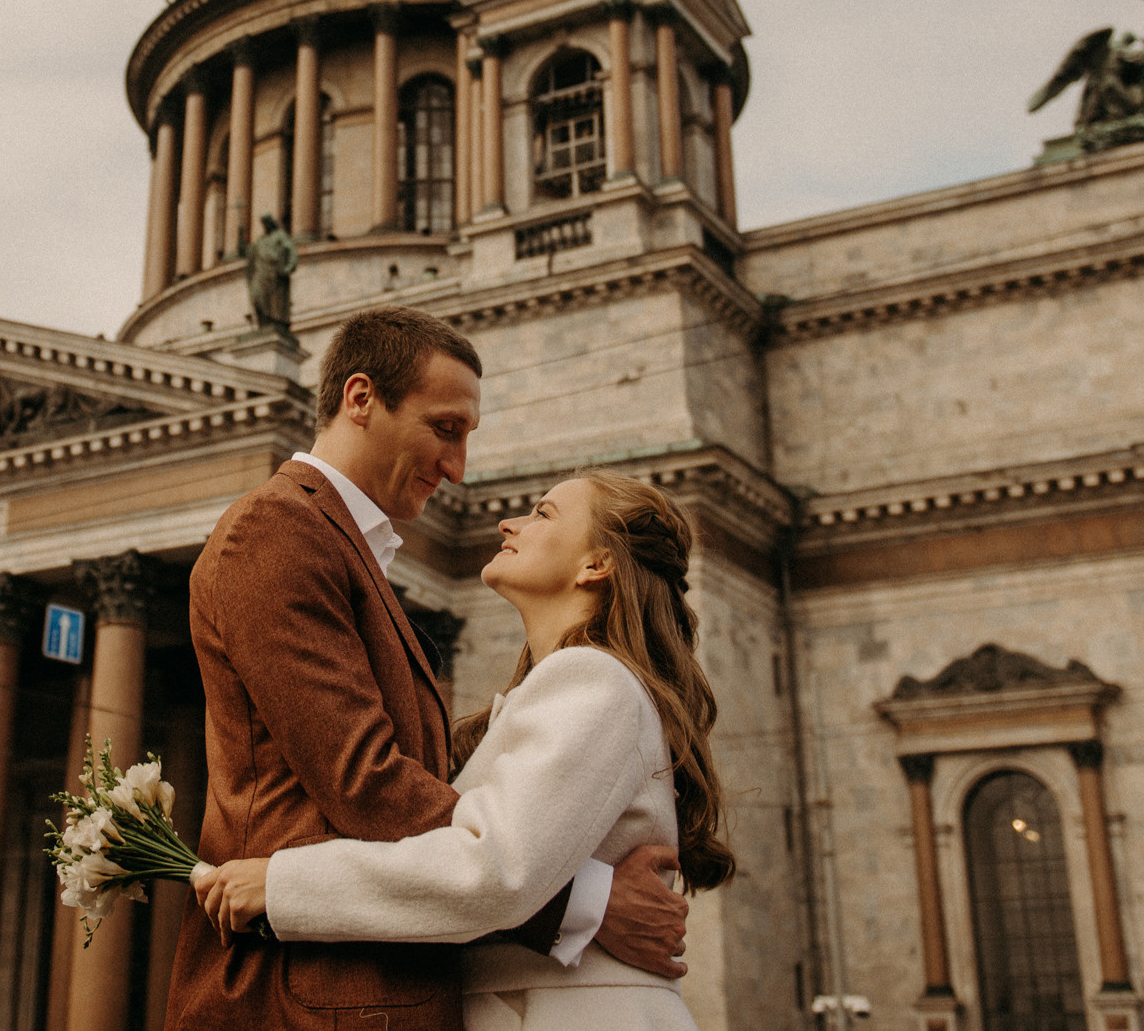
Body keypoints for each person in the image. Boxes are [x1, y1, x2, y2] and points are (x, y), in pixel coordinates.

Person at [165, 307, 688, 1030]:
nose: (459, 469)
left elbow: (455, 824)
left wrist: (537, 883)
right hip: (309, 999)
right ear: (359, 399)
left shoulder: (346, 548)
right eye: (445, 429)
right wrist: (575, 903)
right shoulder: (278, 529)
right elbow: (368, 784)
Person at [194, 470, 733, 1030]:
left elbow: (495, 868)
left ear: (596, 565)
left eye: (543, 514)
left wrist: (282, 885)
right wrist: (591, 905)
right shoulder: (565, 688)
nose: (508, 522)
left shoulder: (593, 679)